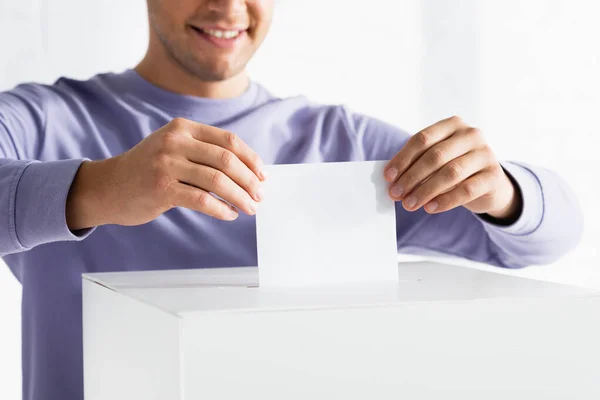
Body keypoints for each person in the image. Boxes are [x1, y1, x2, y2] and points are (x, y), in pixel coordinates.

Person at [0, 0, 582, 399]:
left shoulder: (340, 144)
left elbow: (546, 239)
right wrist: (103, 187)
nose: (228, 8)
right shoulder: (43, 121)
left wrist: (501, 189)